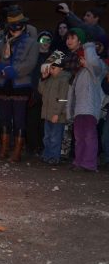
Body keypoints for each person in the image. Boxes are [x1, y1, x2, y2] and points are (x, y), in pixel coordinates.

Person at [0, 9, 39, 162]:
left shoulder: (32, 43)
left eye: (17, 26)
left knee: (19, 120)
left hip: (20, 86)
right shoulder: (2, 43)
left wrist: (12, 71)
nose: (14, 29)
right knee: (4, 119)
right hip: (3, 86)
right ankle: (4, 149)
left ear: (23, 26)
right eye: (12, 26)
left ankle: (17, 151)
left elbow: (30, 64)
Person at [66, 40, 107, 172]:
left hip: (90, 108)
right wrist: (70, 111)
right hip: (79, 109)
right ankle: (79, 161)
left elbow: (93, 64)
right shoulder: (78, 73)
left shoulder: (98, 68)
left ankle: (89, 163)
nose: (82, 60)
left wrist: (89, 47)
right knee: (79, 137)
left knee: (89, 136)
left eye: (85, 57)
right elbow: (72, 93)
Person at [38, 51, 71, 164]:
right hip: (47, 114)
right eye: (50, 67)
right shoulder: (49, 79)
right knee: (47, 137)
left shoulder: (64, 80)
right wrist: (43, 78)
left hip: (57, 115)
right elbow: (41, 91)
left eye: (54, 67)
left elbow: (63, 99)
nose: (51, 70)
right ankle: (47, 155)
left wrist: (57, 113)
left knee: (55, 138)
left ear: (61, 68)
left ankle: (54, 157)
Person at [26, 31, 53, 156]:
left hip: (48, 95)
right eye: (43, 40)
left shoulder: (54, 57)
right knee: (32, 121)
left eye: (48, 40)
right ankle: (32, 147)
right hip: (33, 93)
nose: (46, 43)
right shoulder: (33, 56)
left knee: (45, 123)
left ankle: (43, 147)